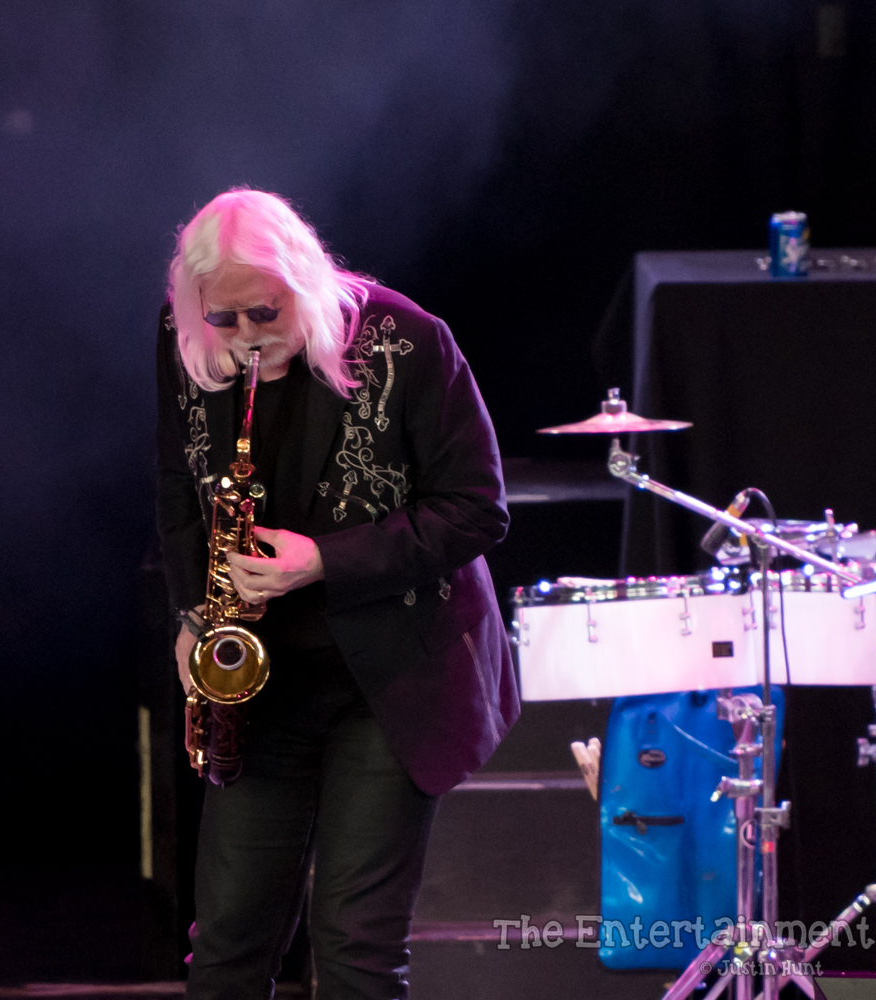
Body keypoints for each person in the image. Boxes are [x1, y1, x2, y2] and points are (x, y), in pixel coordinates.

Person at [155, 188, 518, 1000]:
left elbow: (477, 509)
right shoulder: (186, 337)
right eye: (225, 320)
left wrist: (322, 560)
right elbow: (177, 485)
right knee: (227, 943)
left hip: (389, 678)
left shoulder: (409, 340)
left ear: (306, 281)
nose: (246, 337)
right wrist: (191, 613)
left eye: (265, 313)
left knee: (355, 946)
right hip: (262, 683)